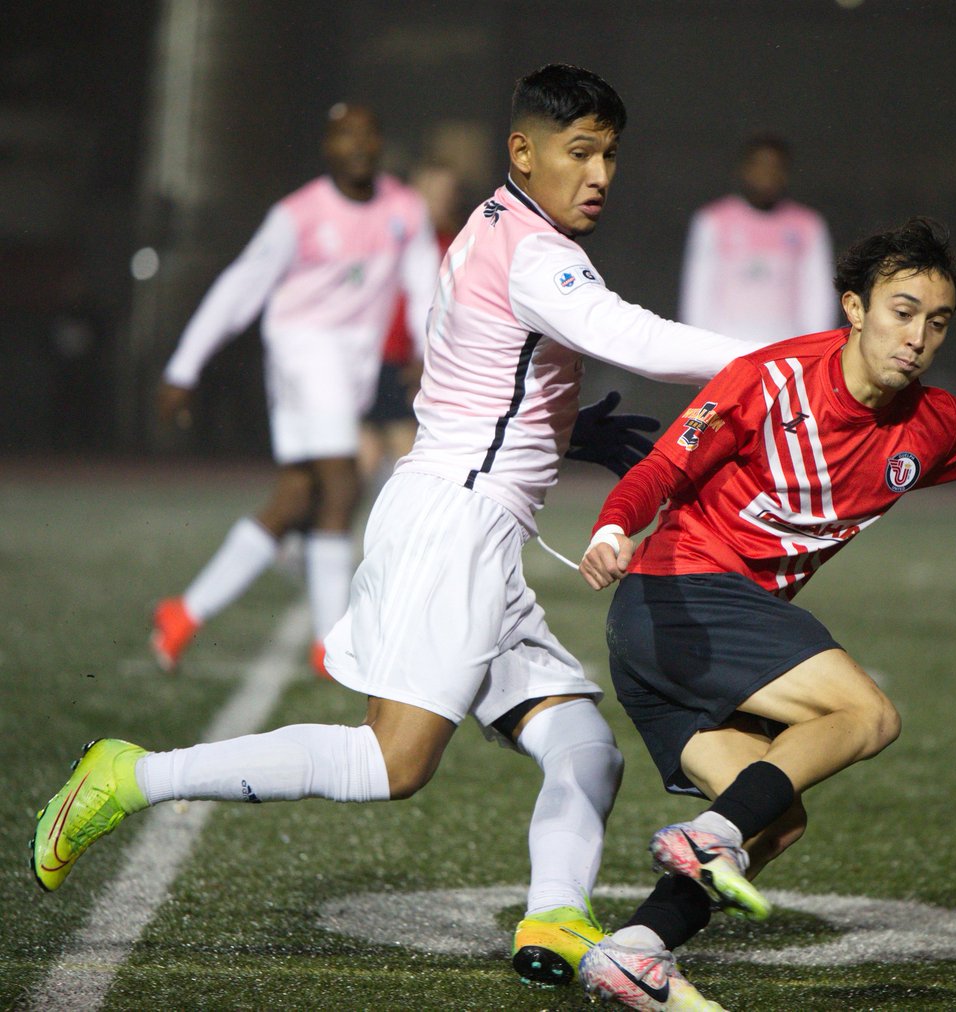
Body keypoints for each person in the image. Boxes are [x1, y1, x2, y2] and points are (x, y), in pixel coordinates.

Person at [31, 65, 772, 994]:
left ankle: (554, 916)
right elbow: (635, 338)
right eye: (579, 152)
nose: (599, 175)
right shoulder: (538, 253)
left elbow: (466, 375)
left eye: (610, 155)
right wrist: (785, 358)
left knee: (583, 744)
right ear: (523, 152)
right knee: (394, 762)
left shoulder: (493, 230)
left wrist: (564, 432)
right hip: (451, 526)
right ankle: (133, 775)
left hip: (473, 524)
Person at [575, 217, 956, 1010]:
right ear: (854, 307)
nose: (918, 336)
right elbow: (665, 465)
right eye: (902, 310)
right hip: (679, 599)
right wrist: (614, 523)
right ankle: (705, 841)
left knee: (773, 821)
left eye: (937, 320)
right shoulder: (768, 379)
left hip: (678, 640)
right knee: (869, 715)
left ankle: (634, 950)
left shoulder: (935, 423)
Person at [152, 103, 441, 679]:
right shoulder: (298, 215)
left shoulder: (404, 210)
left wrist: (431, 355)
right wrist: (184, 366)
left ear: (381, 144)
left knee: (295, 497)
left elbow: (425, 284)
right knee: (340, 483)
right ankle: (330, 646)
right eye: (345, 137)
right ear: (327, 148)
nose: (358, 146)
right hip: (302, 352)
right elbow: (242, 285)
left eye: (368, 134)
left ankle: (184, 611)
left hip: (351, 366)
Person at [358, 161, 466, 489]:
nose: (439, 202)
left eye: (447, 194)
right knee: (392, 452)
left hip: (418, 359)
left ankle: (322, 532)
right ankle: (321, 532)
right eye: (431, 194)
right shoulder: (392, 240)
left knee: (385, 451)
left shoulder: (460, 245)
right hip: (385, 354)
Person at [680, 134, 836, 344]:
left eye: (775, 167)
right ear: (744, 169)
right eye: (759, 165)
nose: (766, 174)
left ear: (786, 173)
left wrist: (812, 346)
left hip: (785, 345)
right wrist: (700, 343)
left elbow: (818, 291)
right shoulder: (713, 220)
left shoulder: (807, 224)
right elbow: (699, 289)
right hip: (726, 345)